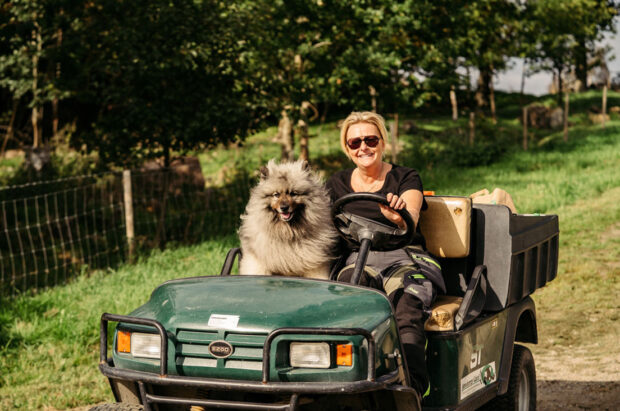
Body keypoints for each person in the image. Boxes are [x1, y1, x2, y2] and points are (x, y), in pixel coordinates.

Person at [326, 111, 445, 398]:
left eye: (370, 139)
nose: (363, 147)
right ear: (347, 148)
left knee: (405, 306)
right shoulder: (336, 184)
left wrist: (398, 217)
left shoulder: (405, 176)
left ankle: (413, 390)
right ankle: (349, 387)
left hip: (405, 256)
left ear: (382, 142)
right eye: (355, 143)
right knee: (350, 304)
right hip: (358, 260)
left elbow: (412, 214)